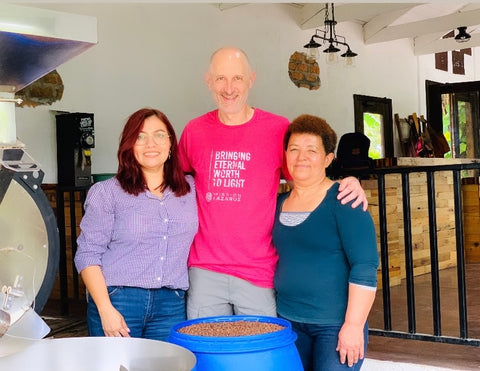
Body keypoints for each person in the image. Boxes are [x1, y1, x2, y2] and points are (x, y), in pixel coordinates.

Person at [178, 46, 368, 319]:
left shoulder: (277, 129)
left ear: (251, 79)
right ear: (208, 81)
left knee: (260, 357)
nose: (229, 87)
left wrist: (346, 182)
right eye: (220, 78)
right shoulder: (194, 131)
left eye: (237, 78)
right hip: (205, 270)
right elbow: (174, 184)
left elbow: (305, 180)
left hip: (258, 270)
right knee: (210, 357)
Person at [74, 108, 198, 341]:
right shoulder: (107, 192)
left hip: (171, 304)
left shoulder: (190, 189)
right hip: (119, 299)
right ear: (129, 145)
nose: (151, 143)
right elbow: (88, 254)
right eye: (140, 136)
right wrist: (105, 308)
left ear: (171, 143)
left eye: (160, 135)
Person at [273, 114, 379, 371]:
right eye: (294, 149)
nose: (301, 157)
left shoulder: (345, 200)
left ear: (328, 158)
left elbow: (365, 265)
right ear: (285, 154)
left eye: (312, 150)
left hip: (335, 325)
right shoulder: (277, 204)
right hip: (287, 322)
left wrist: (353, 326)